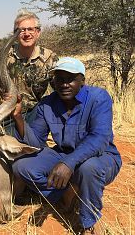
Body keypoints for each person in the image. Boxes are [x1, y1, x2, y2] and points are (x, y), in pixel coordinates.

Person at [11, 57, 122, 234]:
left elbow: (99, 138)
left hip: (101, 156)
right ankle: (66, 194)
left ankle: (88, 222)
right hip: (62, 154)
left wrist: (69, 163)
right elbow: (37, 144)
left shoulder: (98, 98)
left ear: (82, 80)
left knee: (88, 169)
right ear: (53, 81)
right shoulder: (47, 104)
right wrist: (18, 118)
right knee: (21, 166)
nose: (64, 84)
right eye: (59, 79)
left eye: (70, 79)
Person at [0, 9, 58, 135]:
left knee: (33, 148)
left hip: (34, 115)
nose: (26, 33)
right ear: (15, 35)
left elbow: (60, 90)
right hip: (6, 115)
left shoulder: (50, 58)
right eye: (21, 30)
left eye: (30, 29)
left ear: (38, 32)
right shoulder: (0, 56)